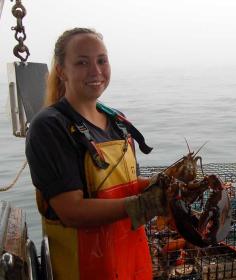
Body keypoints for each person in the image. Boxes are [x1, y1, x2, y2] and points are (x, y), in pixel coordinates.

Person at [25, 27, 168, 280]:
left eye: (102, 60)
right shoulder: (50, 126)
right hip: (85, 269)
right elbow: (71, 210)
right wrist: (141, 204)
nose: (96, 71)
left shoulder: (118, 121)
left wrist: (162, 184)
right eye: (82, 62)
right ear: (61, 70)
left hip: (132, 263)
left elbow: (126, 189)